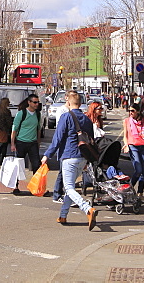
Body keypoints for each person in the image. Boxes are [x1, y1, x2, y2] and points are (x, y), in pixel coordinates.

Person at [42, 90, 98, 230]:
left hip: (69, 155)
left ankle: (87, 209)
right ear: (80, 103)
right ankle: (63, 215)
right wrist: (88, 160)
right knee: (70, 186)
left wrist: (47, 155)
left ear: (68, 102)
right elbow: (91, 140)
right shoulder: (87, 119)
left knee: (68, 187)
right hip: (82, 157)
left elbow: (58, 139)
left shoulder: (66, 117)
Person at [9, 94, 42, 194]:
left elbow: (38, 129)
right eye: (35, 102)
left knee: (37, 165)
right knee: (19, 166)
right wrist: (12, 144)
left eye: (37, 102)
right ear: (29, 102)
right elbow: (14, 129)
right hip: (21, 143)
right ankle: (15, 187)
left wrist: (38, 141)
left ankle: (36, 187)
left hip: (33, 143)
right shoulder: (21, 114)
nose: (37, 104)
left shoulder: (37, 114)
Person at [121, 102, 144, 196]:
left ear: (138, 111)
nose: (130, 113)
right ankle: (129, 188)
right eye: (129, 111)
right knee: (138, 170)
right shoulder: (126, 121)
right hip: (133, 146)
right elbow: (125, 135)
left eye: (133, 111)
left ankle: (140, 192)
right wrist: (126, 145)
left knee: (143, 171)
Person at [0, 97, 13, 163]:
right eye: (8, 102)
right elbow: (9, 121)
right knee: (5, 144)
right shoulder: (7, 112)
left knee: (4, 144)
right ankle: (2, 157)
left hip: (0, 129)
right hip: (5, 130)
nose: (9, 103)